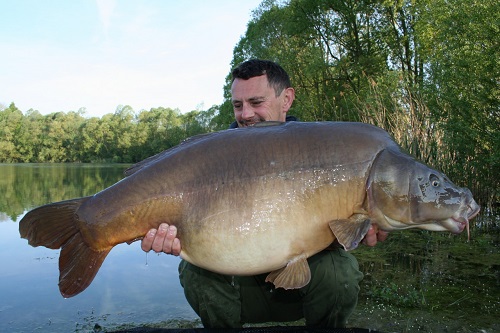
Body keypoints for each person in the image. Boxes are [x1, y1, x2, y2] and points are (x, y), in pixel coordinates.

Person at [141, 59, 388, 328]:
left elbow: (343, 223)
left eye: (256, 102)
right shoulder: (214, 160)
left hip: (301, 286)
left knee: (341, 272)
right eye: (238, 105)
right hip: (239, 287)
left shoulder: (321, 153)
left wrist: (361, 228)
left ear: (287, 99)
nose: (245, 114)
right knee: (196, 272)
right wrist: (168, 236)